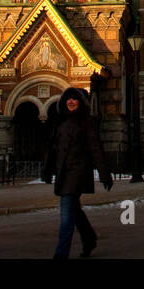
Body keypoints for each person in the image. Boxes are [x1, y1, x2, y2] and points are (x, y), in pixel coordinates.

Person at [52, 87, 113, 259]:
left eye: (75, 99)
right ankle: (89, 238)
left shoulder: (86, 122)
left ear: (81, 102)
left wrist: (104, 174)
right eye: (68, 99)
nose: (71, 102)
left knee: (66, 216)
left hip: (77, 173)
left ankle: (61, 253)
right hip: (64, 173)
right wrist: (47, 171)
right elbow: (52, 149)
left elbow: (96, 149)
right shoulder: (60, 121)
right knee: (74, 211)